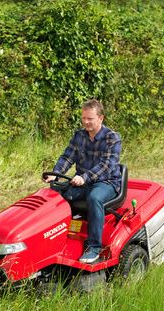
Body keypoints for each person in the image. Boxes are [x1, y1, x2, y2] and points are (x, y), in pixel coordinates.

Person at [44, 99, 122, 263]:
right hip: (82, 181)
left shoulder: (112, 138)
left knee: (94, 197)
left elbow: (107, 166)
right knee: (54, 193)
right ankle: (53, 239)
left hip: (107, 183)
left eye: (90, 119)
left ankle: (94, 247)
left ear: (101, 118)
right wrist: (56, 174)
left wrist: (85, 177)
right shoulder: (79, 136)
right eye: (84, 118)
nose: (86, 122)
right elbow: (68, 157)